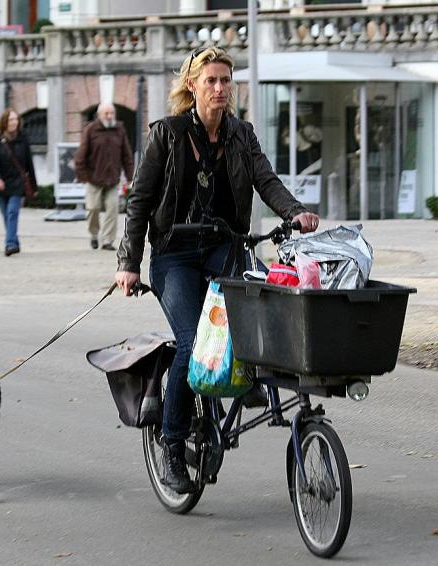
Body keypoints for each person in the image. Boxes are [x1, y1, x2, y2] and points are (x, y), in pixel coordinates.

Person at [114, 47, 320, 494]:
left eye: (226, 80)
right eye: (211, 80)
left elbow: (266, 181)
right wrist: (129, 263)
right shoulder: (166, 135)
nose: (220, 88)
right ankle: (171, 446)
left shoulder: (241, 134)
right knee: (192, 343)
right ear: (192, 85)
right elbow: (140, 203)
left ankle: (247, 380)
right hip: (175, 255)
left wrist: (296, 212)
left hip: (224, 247)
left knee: (270, 297)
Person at [74, 102, 134, 251]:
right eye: (106, 113)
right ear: (99, 115)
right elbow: (81, 155)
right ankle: (94, 234)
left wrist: (130, 176)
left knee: (112, 209)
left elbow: (127, 155)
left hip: (113, 178)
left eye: (112, 113)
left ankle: (107, 240)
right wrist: (82, 175)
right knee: (93, 209)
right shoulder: (90, 130)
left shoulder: (119, 130)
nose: (109, 116)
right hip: (93, 178)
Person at [0, 109, 37, 257]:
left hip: (18, 183)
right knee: (6, 215)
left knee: (12, 212)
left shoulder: (23, 139)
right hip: (2, 182)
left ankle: (10, 244)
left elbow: (29, 164)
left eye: (16, 119)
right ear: (4, 122)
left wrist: (34, 186)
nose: (14, 122)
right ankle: (14, 240)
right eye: (10, 120)